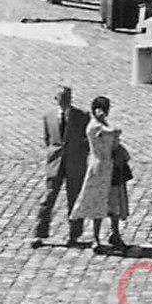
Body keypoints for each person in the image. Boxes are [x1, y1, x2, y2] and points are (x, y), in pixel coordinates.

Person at [32, 86, 90, 248]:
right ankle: (39, 233)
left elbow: (87, 140)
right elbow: (48, 140)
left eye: (68, 97)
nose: (66, 100)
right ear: (55, 99)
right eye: (62, 97)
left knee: (74, 200)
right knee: (48, 198)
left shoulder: (82, 116)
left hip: (75, 162)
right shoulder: (49, 117)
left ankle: (74, 235)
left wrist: (80, 155)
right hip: (55, 162)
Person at [68, 96, 129, 252]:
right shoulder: (94, 127)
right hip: (99, 169)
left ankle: (115, 234)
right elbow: (107, 133)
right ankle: (96, 238)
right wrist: (114, 131)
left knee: (114, 203)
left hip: (112, 167)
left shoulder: (102, 124)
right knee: (98, 203)